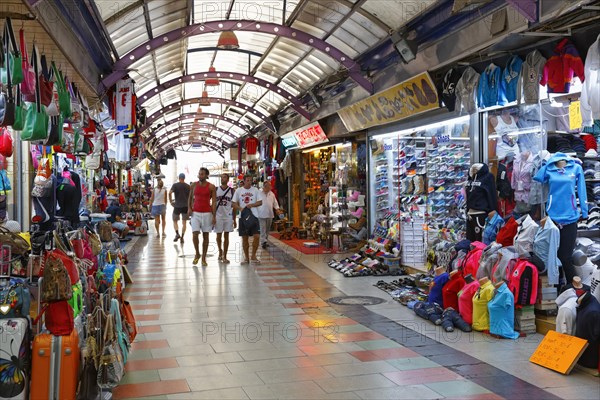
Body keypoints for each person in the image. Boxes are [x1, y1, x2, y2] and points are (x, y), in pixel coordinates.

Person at [188, 167, 217, 266]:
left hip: (207, 213)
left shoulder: (211, 187)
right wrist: (189, 208)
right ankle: (197, 253)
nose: (200, 175)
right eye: (199, 173)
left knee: (206, 236)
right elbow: (190, 198)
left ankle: (204, 257)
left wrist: (214, 216)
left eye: (202, 174)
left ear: (206, 176)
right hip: (195, 213)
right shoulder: (193, 185)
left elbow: (214, 202)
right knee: (195, 234)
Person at [232, 175, 262, 264]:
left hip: (254, 216)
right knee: (245, 238)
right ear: (244, 181)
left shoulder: (255, 190)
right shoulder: (238, 191)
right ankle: (246, 258)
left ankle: (253, 255)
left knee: (257, 236)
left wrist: (252, 205)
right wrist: (240, 208)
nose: (249, 182)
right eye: (248, 180)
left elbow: (260, 202)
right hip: (243, 217)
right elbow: (233, 203)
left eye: (251, 180)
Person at [215, 173, 236, 263]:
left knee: (226, 236)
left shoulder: (232, 191)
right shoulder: (216, 189)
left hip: (228, 216)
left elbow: (234, 205)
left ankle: (225, 256)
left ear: (227, 180)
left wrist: (234, 219)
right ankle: (220, 250)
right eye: (222, 177)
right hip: (218, 215)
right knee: (218, 236)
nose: (222, 179)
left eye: (224, 177)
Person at [257, 181, 280, 249]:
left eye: (270, 186)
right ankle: (263, 241)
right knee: (263, 228)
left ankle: (265, 240)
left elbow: (275, 202)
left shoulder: (271, 194)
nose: (270, 187)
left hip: (270, 214)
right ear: (265, 186)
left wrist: (277, 209)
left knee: (267, 229)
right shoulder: (259, 193)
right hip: (261, 214)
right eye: (269, 186)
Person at [169, 173, 191, 243]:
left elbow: (170, 193)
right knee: (184, 223)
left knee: (175, 221)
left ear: (179, 178)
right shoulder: (188, 186)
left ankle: (177, 234)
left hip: (177, 206)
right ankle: (182, 237)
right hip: (185, 206)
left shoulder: (175, 185)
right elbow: (191, 197)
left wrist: (171, 202)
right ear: (184, 178)